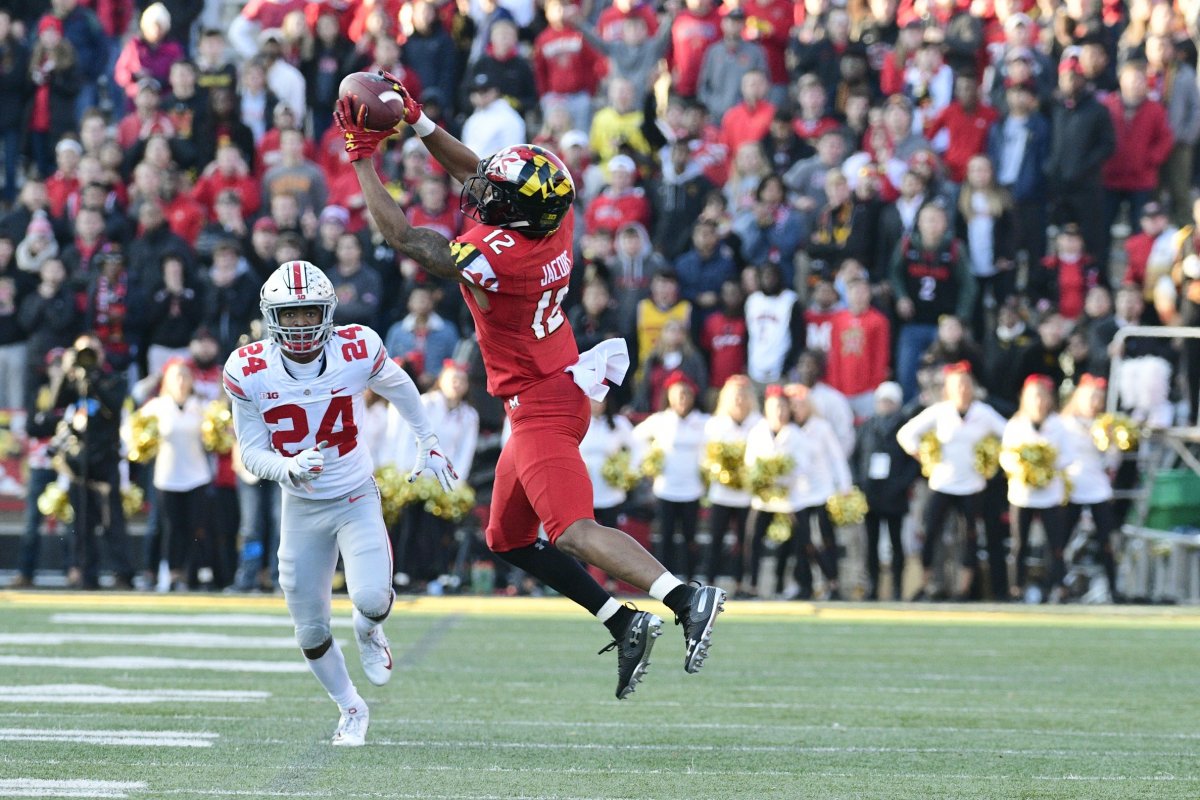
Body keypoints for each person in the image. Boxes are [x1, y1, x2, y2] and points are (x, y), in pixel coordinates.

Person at [335, 74, 726, 700]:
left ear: (516, 213)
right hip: (548, 388)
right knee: (507, 538)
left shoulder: (502, 259)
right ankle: (622, 622)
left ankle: (684, 596)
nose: (482, 192)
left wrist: (361, 160)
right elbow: (480, 174)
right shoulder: (554, 219)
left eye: (496, 194)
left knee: (570, 528)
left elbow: (406, 237)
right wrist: (420, 119)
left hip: (542, 400)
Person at [224, 260, 456, 746]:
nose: (301, 325)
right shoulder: (247, 370)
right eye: (290, 315)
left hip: (354, 495)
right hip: (301, 507)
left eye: (309, 313)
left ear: (327, 312)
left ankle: (370, 631)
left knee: (371, 599)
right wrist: (285, 467)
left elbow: (400, 388)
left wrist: (427, 437)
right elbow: (249, 450)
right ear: (271, 318)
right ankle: (351, 707)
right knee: (309, 631)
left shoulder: (357, 347)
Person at [896, 363, 1009, 601]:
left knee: (970, 536)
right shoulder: (939, 411)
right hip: (942, 482)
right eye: (957, 385)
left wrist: (993, 460)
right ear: (948, 389)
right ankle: (927, 585)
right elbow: (906, 433)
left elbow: (1008, 434)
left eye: (966, 384)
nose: (962, 389)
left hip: (972, 484)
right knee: (930, 534)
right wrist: (924, 457)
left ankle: (964, 589)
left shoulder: (983, 412)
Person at [135, 359, 213, 591]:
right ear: (167, 381)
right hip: (166, 476)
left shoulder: (202, 407)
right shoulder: (156, 407)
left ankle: (190, 574)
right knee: (168, 527)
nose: (180, 382)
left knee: (194, 527)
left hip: (197, 474)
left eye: (185, 376)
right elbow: (133, 423)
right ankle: (165, 572)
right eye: (175, 377)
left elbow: (217, 435)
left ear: (191, 381)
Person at [633, 371, 710, 582]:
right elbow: (635, 438)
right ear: (669, 397)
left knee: (690, 538)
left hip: (693, 489)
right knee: (665, 537)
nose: (682, 399)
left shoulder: (703, 422)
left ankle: (692, 580)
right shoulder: (660, 420)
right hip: (666, 488)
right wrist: (648, 464)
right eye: (678, 395)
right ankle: (663, 582)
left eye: (686, 394)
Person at [1000, 374, 1071, 603]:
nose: (1039, 402)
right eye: (1034, 397)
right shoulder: (1015, 424)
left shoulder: (1058, 425)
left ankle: (1057, 587)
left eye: (1042, 397)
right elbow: (1006, 456)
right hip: (1023, 494)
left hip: (1051, 494)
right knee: (1019, 544)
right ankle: (1016, 588)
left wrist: (1047, 469)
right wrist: (1025, 470)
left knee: (1056, 545)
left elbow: (1068, 455)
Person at [703, 375, 761, 596]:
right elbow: (705, 456)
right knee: (716, 539)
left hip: (747, 494)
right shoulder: (715, 424)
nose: (739, 400)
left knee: (745, 542)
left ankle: (741, 584)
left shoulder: (758, 423)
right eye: (735, 396)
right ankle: (709, 583)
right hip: (721, 492)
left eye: (743, 395)